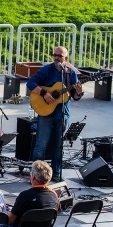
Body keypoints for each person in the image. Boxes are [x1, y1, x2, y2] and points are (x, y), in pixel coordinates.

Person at [26, 45, 83, 181]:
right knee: (41, 144)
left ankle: (56, 173)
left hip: (62, 113)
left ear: (66, 59)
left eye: (59, 56)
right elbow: (31, 83)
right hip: (45, 113)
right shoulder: (47, 70)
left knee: (59, 145)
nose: (56, 58)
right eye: (55, 55)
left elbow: (74, 96)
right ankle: (35, 175)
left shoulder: (71, 73)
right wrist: (44, 93)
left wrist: (79, 92)